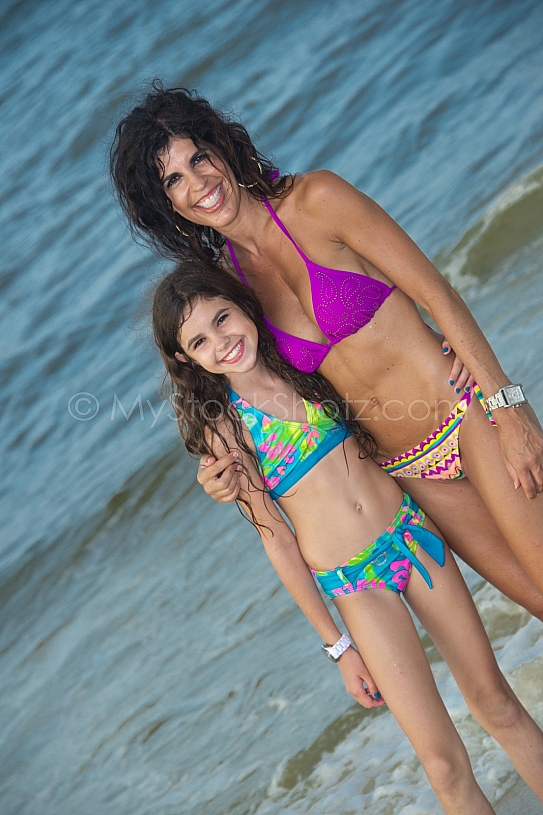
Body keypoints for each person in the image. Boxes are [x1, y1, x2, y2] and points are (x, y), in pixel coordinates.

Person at [110, 83, 543, 615]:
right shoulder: (228, 289)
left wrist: (509, 404)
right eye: (173, 180)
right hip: (407, 468)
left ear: (220, 145)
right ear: (166, 205)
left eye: (198, 157)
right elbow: (244, 395)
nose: (198, 182)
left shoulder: (317, 199)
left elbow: (437, 292)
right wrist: (218, 468)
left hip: (467, 413)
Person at [151, 266, 543, 815]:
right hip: (357, 585)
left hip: (413, 538)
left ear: (243, 307)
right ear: (186, 359)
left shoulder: (307, 367)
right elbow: (279, 543)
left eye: (222, 318)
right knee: (443, 764)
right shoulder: (227, 431)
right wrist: (337, 647)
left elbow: (388, 373)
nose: (222, 340)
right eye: (199, 340)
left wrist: (446, 356)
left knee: (497, 703)